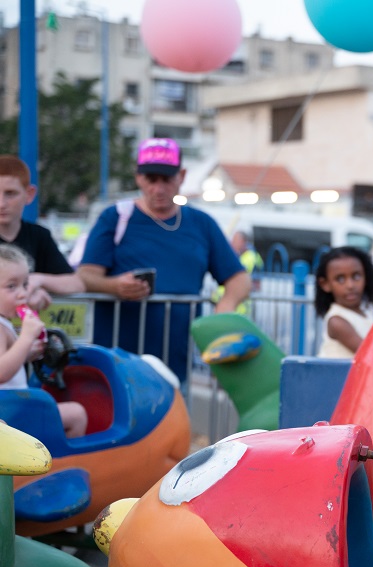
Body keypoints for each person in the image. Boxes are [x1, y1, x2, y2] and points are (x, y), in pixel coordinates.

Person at [77, 138, 250, 384]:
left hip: (174, 366)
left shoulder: (201, 223)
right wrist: (116, 286)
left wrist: (225, 306)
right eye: (151, 179)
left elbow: (239, 278)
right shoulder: (115, 217)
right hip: (117, 364)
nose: (158, 188)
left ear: (181, 176)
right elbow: (86, 275)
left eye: (166, 179)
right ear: (138, 177)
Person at [0, 245, 86, 437]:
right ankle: (58, 464)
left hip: (13, 407)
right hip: (10, 410)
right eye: (11, 286)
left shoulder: (5, 324)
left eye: (25, 284)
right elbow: (1, 373)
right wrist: (27, 337)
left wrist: (28, 352)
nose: (22, 294)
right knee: (77, 415)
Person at [0, 155, 84, 311]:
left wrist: (37, 281)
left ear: (29, 194)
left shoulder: (39, 236)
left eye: (10, 193)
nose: (2, 203)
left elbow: (76, 284)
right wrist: (24, 293)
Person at [314, 246, 373, 359]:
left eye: (356, 276)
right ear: (325, 284)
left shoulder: (367, 311)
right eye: (340, 279)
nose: (350, 285)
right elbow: (369, 353)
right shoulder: (336, 321)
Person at [213, 230, 264, 316]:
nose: (233, 243)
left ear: (244, 242)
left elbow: (256, 284)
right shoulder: (235, 256)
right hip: (226, 305)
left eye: (236, 240)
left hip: (240, 307)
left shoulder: (250, 258)